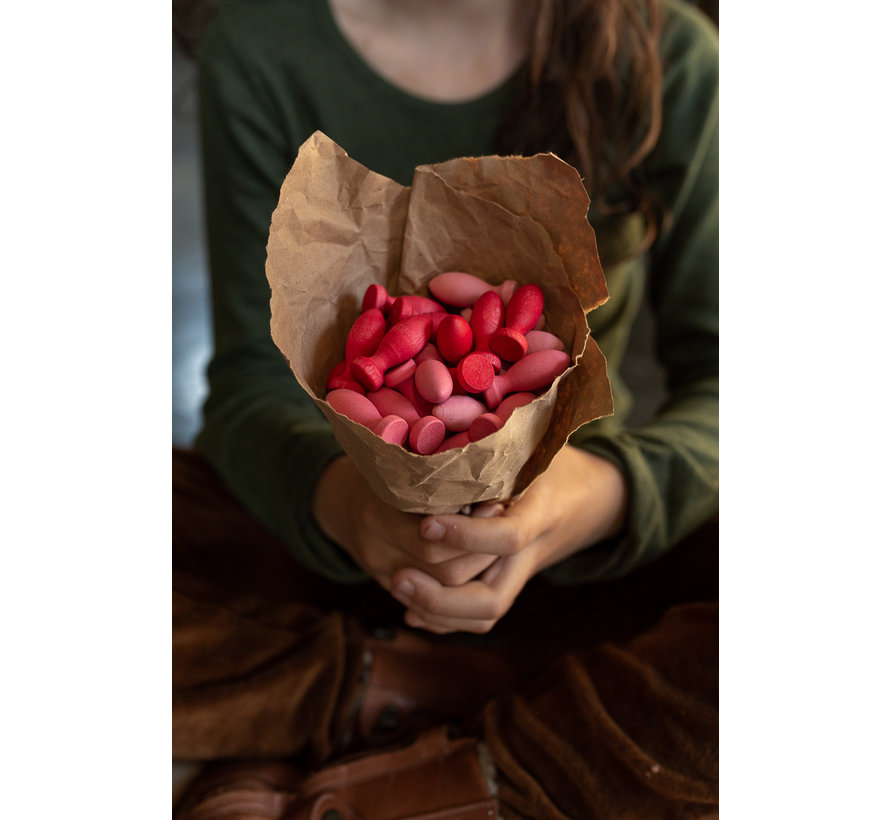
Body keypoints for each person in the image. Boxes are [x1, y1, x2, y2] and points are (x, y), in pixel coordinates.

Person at [172, 0, 719, 816]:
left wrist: (587, 501)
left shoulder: (665, 53)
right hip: (323, 564)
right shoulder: (261, 49)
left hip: (594, 559)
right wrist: (350, 508)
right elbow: (250, 387)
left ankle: (460, 770)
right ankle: (386, 694)